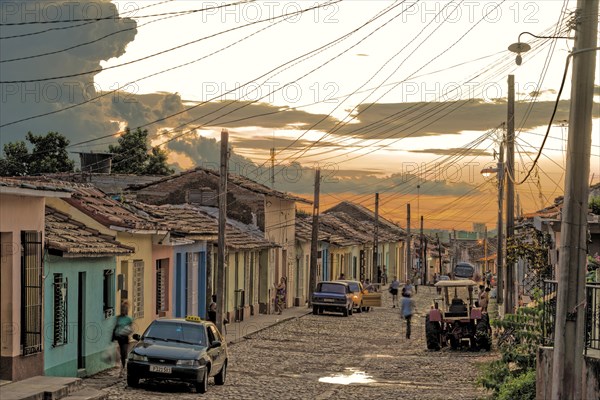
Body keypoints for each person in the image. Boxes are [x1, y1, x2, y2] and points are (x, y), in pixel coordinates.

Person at [113, 301, 133, 377]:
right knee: (121, 354)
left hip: (125, 338)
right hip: (119, 338)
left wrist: (127, 331)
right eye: (123, 309)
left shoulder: (129, 319)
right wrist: (113, 337)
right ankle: (122, 368)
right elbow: (115, 327)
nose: (124, 310)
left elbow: (130, 329)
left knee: (124, 353)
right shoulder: (118, 318)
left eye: (125, 309)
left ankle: (124, 368)